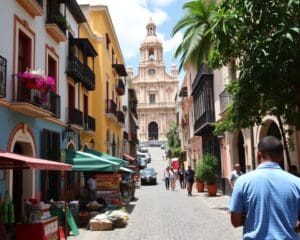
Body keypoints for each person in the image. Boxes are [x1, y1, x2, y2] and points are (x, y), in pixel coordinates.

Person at [229, 136, 300, 239]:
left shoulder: (242, 182)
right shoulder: (297, 182)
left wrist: (252, 219)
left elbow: (235, 221)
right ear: (281, 156)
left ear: (258, 155)